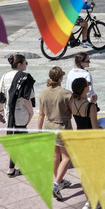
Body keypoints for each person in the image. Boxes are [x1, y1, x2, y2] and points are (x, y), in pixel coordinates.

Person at [36, 67, 73, 201]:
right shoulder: (66, 94)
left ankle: (59, 179)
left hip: (48, 126)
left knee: (55, 156)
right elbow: (73, 111)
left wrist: (39, 131)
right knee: (67, 158)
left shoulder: (43, 92)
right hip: (62, 127)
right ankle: (56, 184)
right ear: (60, 78)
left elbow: (41, 114)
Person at [0, 53, 36, 177]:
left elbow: (0, 96)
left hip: (10, 113)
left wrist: (1, 112)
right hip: (21, 112)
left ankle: (15, 166)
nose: (26, 65)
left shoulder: (4, 76)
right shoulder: (25, 77)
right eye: (25, 62)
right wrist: (31, 112)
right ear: (19, 64)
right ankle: (12, 168)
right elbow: (26, 98)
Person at [69, 77, 101, 209]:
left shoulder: (72, 102)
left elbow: (82, 117)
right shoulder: (90, 107)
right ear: (84, 89)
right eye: (87, 86)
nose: (89, 87)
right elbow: (94, 128)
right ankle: (89, 204)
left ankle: (91, 200)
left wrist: (92, 102)